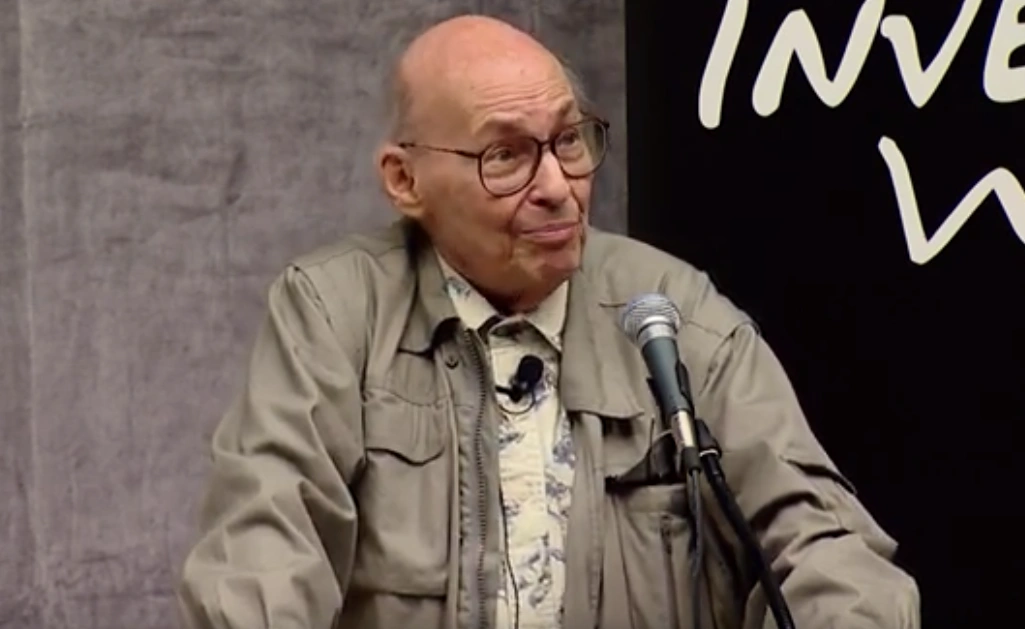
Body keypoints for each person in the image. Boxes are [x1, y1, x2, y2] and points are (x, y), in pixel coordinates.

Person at [177, 13, 919, 629]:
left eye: (568, 140)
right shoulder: (334, 310)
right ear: (404, 181)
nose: (557, 188)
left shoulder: (671, 309)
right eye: (505, 155)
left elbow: (823, 541)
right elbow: (261, 559)